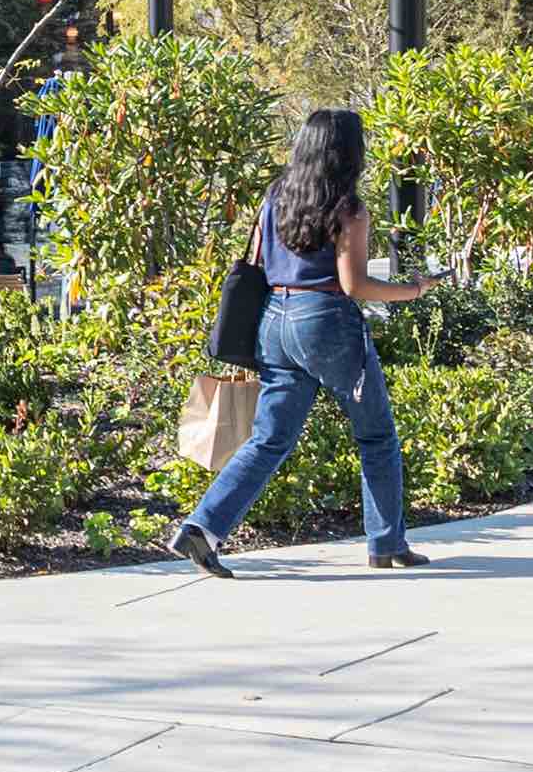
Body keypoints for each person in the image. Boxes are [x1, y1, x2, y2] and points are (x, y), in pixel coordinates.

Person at [173, 107, 437, 575]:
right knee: (376, 434)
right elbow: (354, 285)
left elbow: (255, 258)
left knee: (269, 439)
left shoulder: (276, 196)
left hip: (274, 321)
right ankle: (386, 543)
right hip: (325, 321)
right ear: (349, 153)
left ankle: (202, 526)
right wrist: (412, 289)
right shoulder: (348, 208)